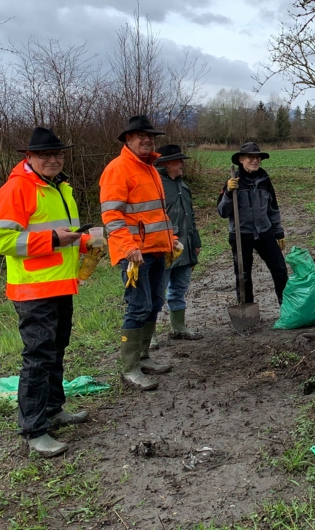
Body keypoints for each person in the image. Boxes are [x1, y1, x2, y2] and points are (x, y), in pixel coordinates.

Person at [0, 127, 103, 457]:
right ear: (29, 158)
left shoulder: (61, 188)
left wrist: (86, 240)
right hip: (32, 291)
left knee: (56, 350)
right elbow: (3, 242)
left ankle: (54, 409)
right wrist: (54, 239)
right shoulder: (17, 190)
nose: (53, 160)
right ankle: (34, 429)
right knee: (38, 358)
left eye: (58, 155)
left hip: (60, 284)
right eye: (45, 155)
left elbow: (63, 235)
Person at [100, 115, 181, 391]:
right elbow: (112, 216)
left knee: (155, 303)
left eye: (151, 137)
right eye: (140, 136)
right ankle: (130, 368)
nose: (147, 140)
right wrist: (128, 247)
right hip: (134, 254)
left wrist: (172, 239)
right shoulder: (118, 169)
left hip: (157, 250)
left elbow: (157, 214)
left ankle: (144, 357)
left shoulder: (150, 169)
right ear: (128, 139)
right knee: (138, 306)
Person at [217, 142, 288, 305]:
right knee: (243, 275)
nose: (255, 160)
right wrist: (228, 192)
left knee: (280, 269)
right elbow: (222, 212)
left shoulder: (265, 179)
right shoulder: (233, 181)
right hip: (241, 235)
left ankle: (286, 306)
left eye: (257, 157)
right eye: (250, 157)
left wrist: (279, 232)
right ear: (241, 159)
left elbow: (273, 208)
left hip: (265, 232)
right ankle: (246, 308)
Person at [153, 144, 203, 343]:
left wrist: (195, 242)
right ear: (166, 164)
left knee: (180, 288)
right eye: (178, 161)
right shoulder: (156, 185)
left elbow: (190, 217)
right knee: (157, 293)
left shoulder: (182, 185)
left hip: (185, 246)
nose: (182, 164)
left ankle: (178, 328)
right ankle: (150, 335)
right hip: (164, 248)